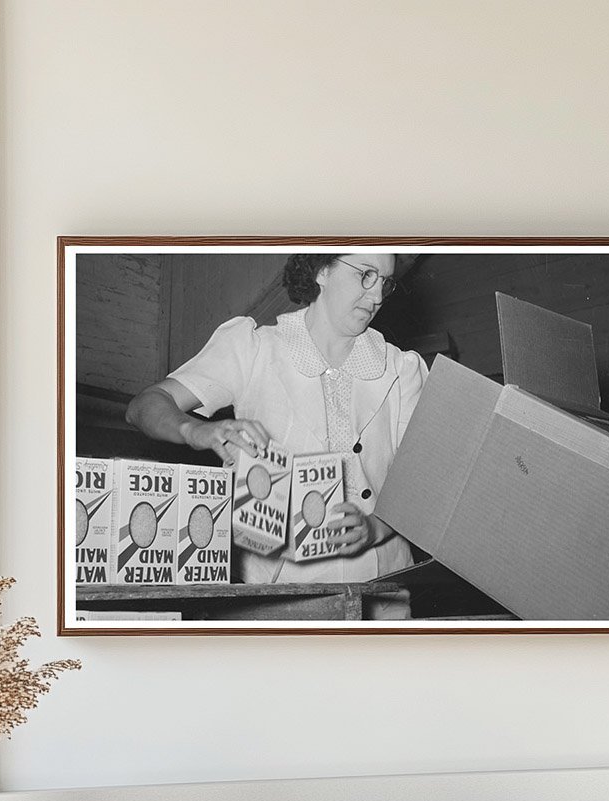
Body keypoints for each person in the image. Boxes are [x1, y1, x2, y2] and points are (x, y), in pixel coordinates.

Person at [125, 253, 428, 610]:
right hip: (278, 594)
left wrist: (376, 526)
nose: (376, 296)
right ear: (322, 271)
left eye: (385, 282)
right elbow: (145, 405)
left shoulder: (401, 369)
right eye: (365, 275)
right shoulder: (254, 349)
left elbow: (421, 481)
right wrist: (196, 431)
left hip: (381, 593)